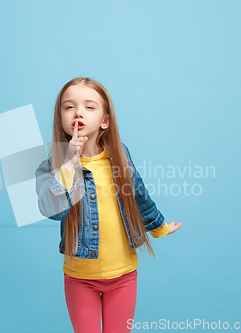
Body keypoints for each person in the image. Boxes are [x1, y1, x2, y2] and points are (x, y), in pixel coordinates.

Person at [35, 77, 182, 333]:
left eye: (89, 107)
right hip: (80, 278)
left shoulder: (120, 155)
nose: (78, 112)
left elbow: (139, 196)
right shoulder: (52, 166)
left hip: (123, 276)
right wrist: (70, 163)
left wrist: (160, 228)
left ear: (105, 120)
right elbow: (53, 211)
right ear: (61, 118)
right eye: (69, 107)